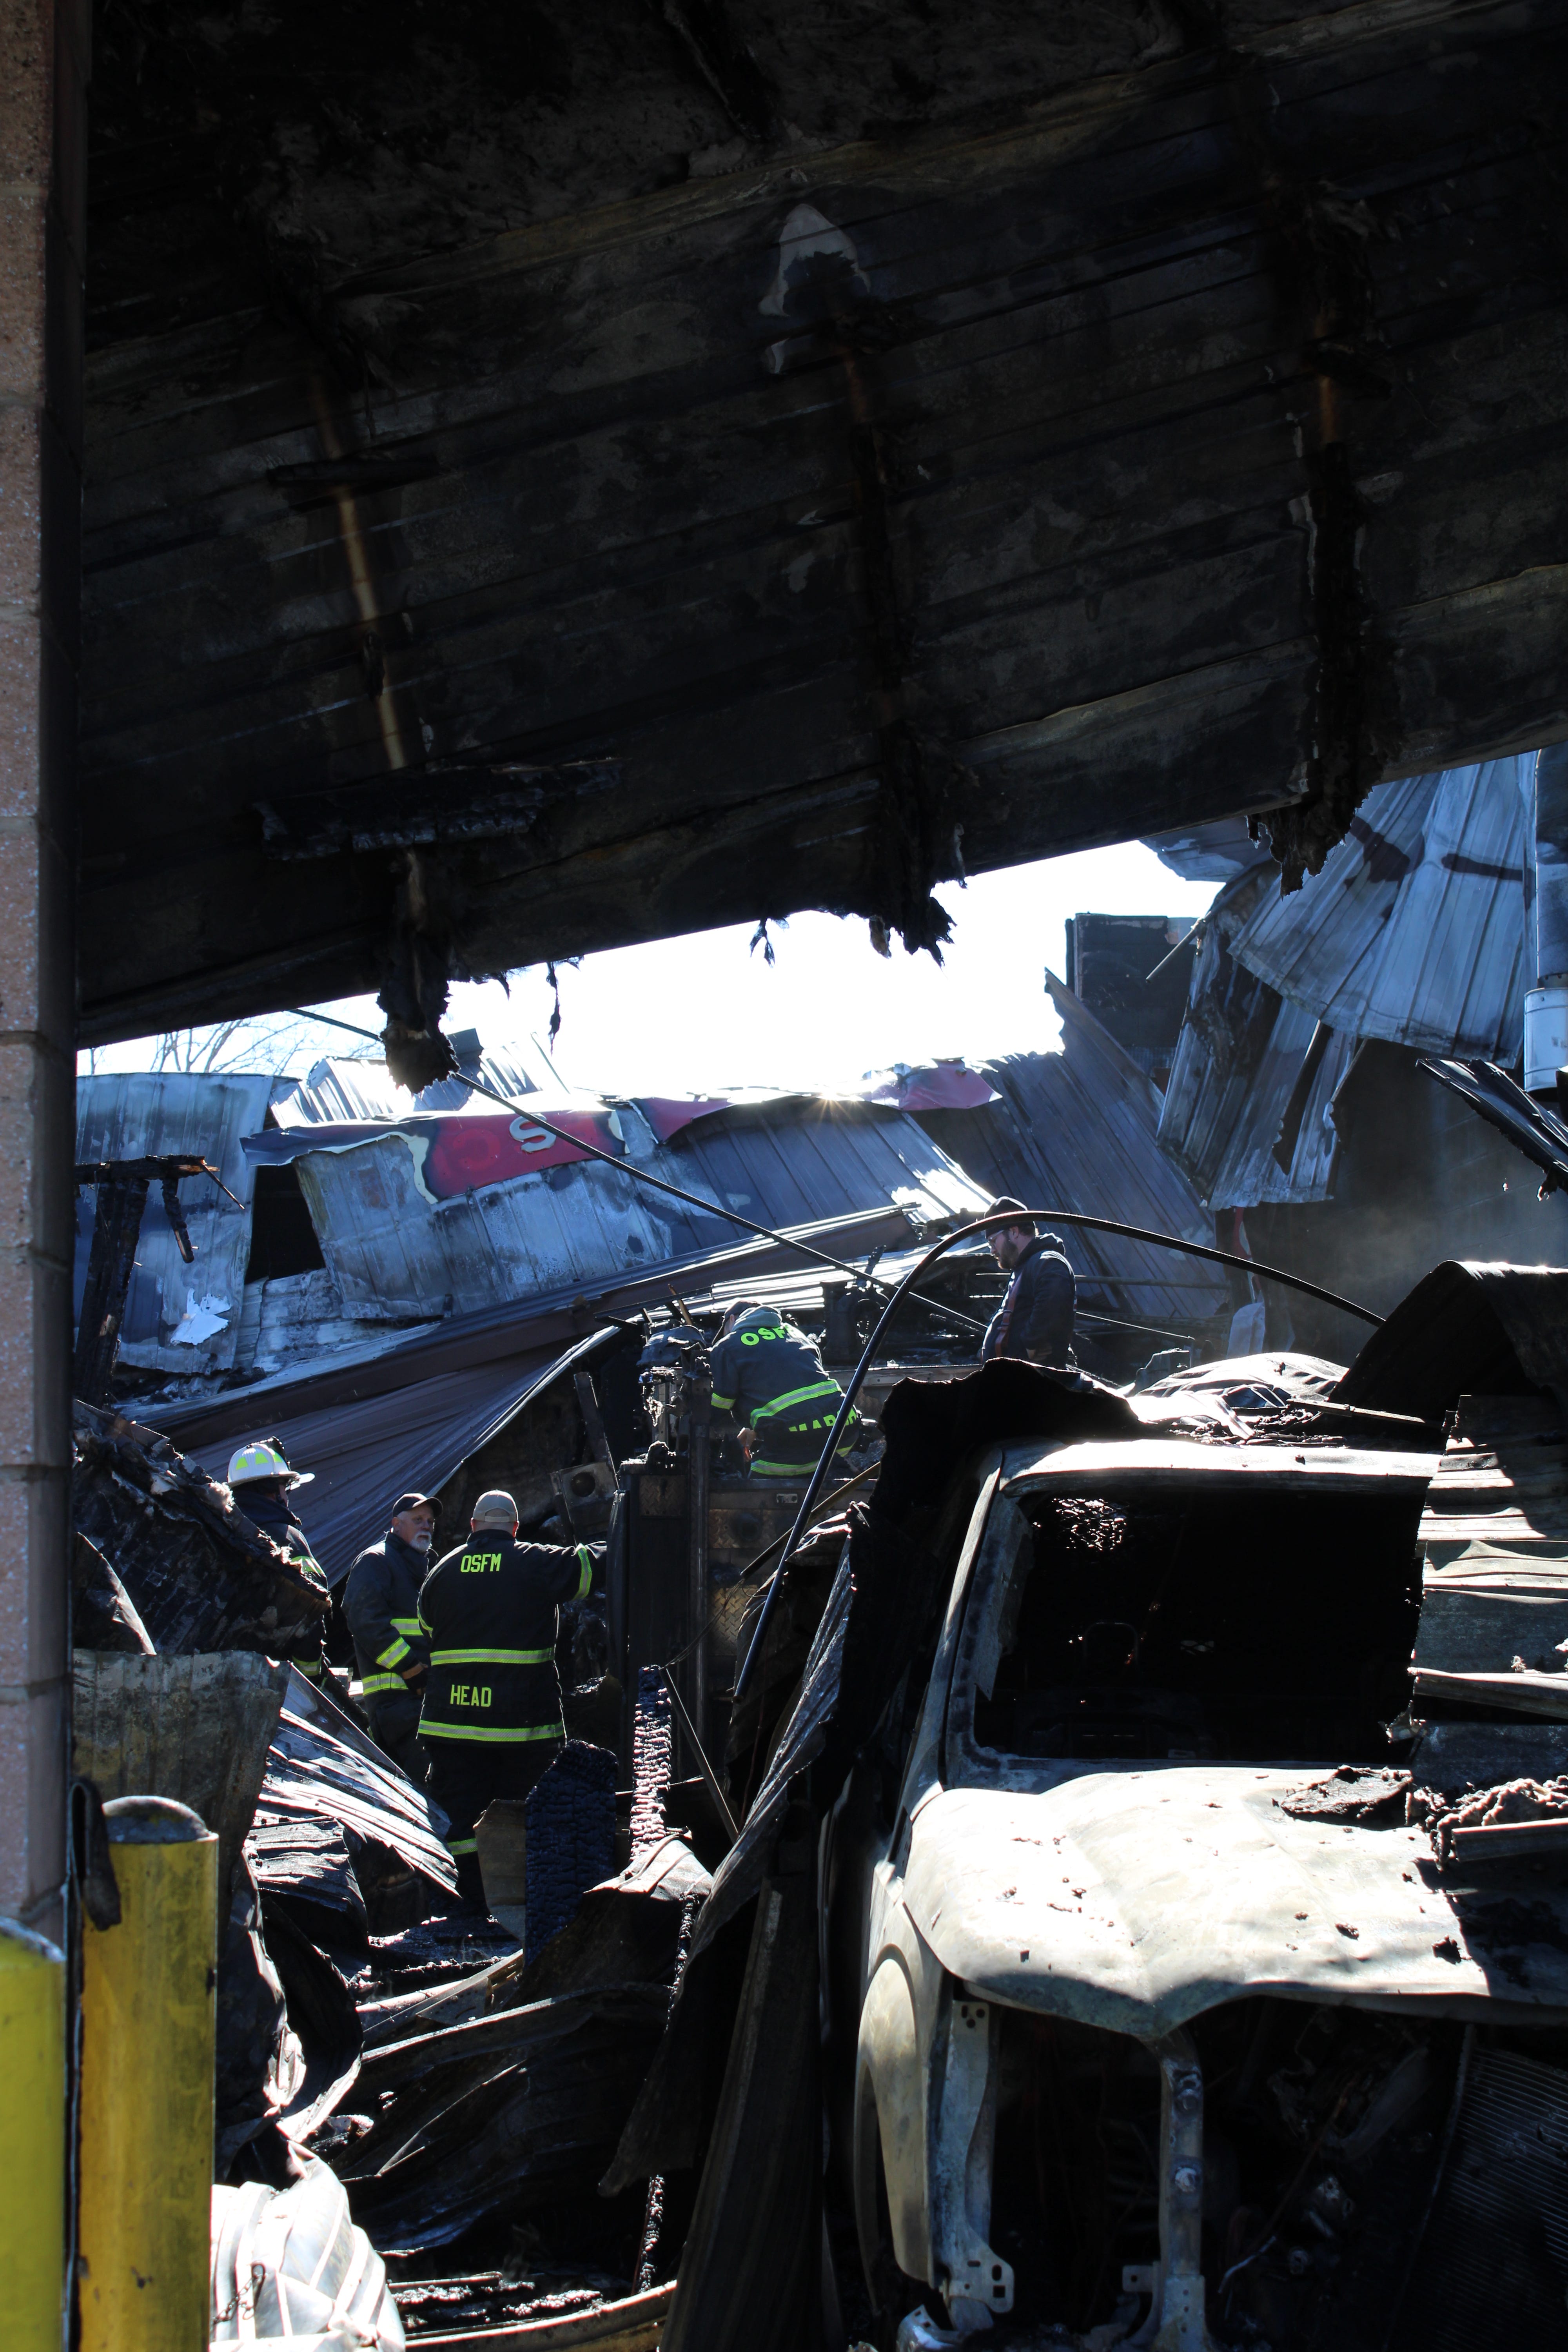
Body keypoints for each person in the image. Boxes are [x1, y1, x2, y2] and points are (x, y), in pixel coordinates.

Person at [416, 1489, 597, 1909]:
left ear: (474, 1528)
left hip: (451, 1725)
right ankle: (520, 1905)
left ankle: (468, 1905)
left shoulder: (440, 1573)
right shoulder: (533, 1561)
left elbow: (427, 1626)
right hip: (521, 1726)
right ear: (515, 1529)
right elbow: (592, 1566)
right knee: (524, 1816)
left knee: (460, 1820)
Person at [343, 1493, 441, 1781]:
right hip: (396, 1706)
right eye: (418, 1520)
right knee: (429, 1789)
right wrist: (411, 1669)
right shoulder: (377, 1561)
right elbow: (364, 1619)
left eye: (430, 1522)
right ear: (396, 1524)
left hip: (421, 1703)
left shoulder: (426, 1569)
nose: (426, 1526)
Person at [708, 1299, 860, 1481]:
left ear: (731, 1320)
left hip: (794, 1437)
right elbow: (797, 1384)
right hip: (845, 1425)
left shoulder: (726, 1346)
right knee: (817, 1473)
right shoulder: (795, 1334)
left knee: (754, 1488)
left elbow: (718, 1407)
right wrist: (754, 1428)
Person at [227, 1437, 328, 1681]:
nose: (288, 1497)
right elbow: (312, 1610)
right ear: (274, 1493)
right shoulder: (288, 1537)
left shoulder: (224, 1533)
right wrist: (312, 1680)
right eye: (287, 1488)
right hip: (279, 1683)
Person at [979, 1197, 1076, 1367]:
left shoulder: (1046, 1261)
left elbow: (1054, 1297)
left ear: (1014, 1231)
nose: (993, 1250)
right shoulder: (1027, 1266)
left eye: (993, 1241)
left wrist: (1033, 1342)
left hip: (1036, 1383)